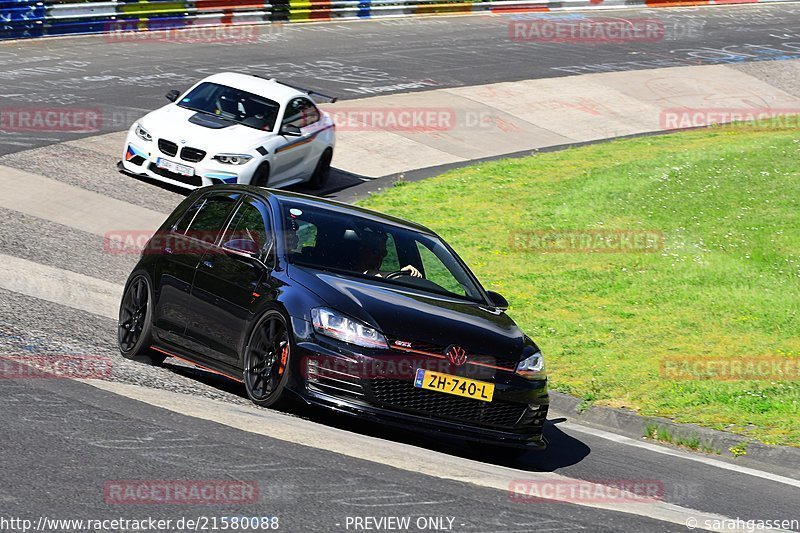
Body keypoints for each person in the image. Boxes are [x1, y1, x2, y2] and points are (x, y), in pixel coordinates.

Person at [356, 230, 422, 278]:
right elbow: (369, 273)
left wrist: (404, 273)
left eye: (383, 254)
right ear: (362, 251)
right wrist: (399, 275)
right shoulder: (348, 276)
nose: (379, 257)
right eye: (375, 252)